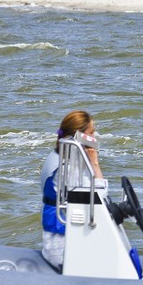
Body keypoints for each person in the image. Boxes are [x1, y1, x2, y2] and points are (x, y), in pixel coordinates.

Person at [40, 110, 104, 271]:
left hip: (62, 240)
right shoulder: (69, 168)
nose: (95, 135)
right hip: (62, 249)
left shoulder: (58, 156)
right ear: (79, 136)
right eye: (91, 132)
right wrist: (95, 164)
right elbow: (99, 198)